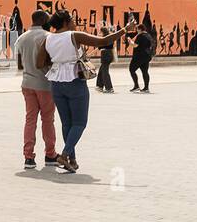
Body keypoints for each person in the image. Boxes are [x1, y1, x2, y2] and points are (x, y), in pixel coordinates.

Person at [36, 11, 135, 173]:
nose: (75, 23)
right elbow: (103, 41)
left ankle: (72, 160)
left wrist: (57, 64)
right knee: (80, 123)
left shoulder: (48, 39)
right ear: (66, 22)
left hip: (56, 83)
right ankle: (65, 154)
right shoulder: (73, 35)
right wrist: (125, 29)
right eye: (73, 20)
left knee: (67, 123)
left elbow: (39, 63)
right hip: (75, 81)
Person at [14, 10, 58, 169]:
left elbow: (20, 65)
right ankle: (50, 154)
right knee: (48, 120)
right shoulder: (48, 37)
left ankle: (28, 157)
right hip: (45, 84)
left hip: (27, 83)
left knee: (30, 120)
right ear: (43, 21)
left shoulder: (21, 38)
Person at [129, 23, 155, 92]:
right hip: (147, 56)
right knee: (145, 71)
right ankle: (146, 88)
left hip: (139, 56)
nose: (136, 31)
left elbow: (135, 45)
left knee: (132, 70)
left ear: (140, 29)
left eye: (137, 29)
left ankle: (136, 86)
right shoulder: (148, 35)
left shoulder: (140, 36)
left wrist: (130, 42)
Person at [95, 24, 115, 93]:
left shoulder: (104, 38)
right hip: (109, 55)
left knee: (105, 72)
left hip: (105, 55)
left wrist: (90, 54)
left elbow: (99, 47)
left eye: (100, 32)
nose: (100, 33)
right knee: (101, 70)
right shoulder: (110, 37)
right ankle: (100, 86)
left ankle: (109, 88)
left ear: (102, 31)